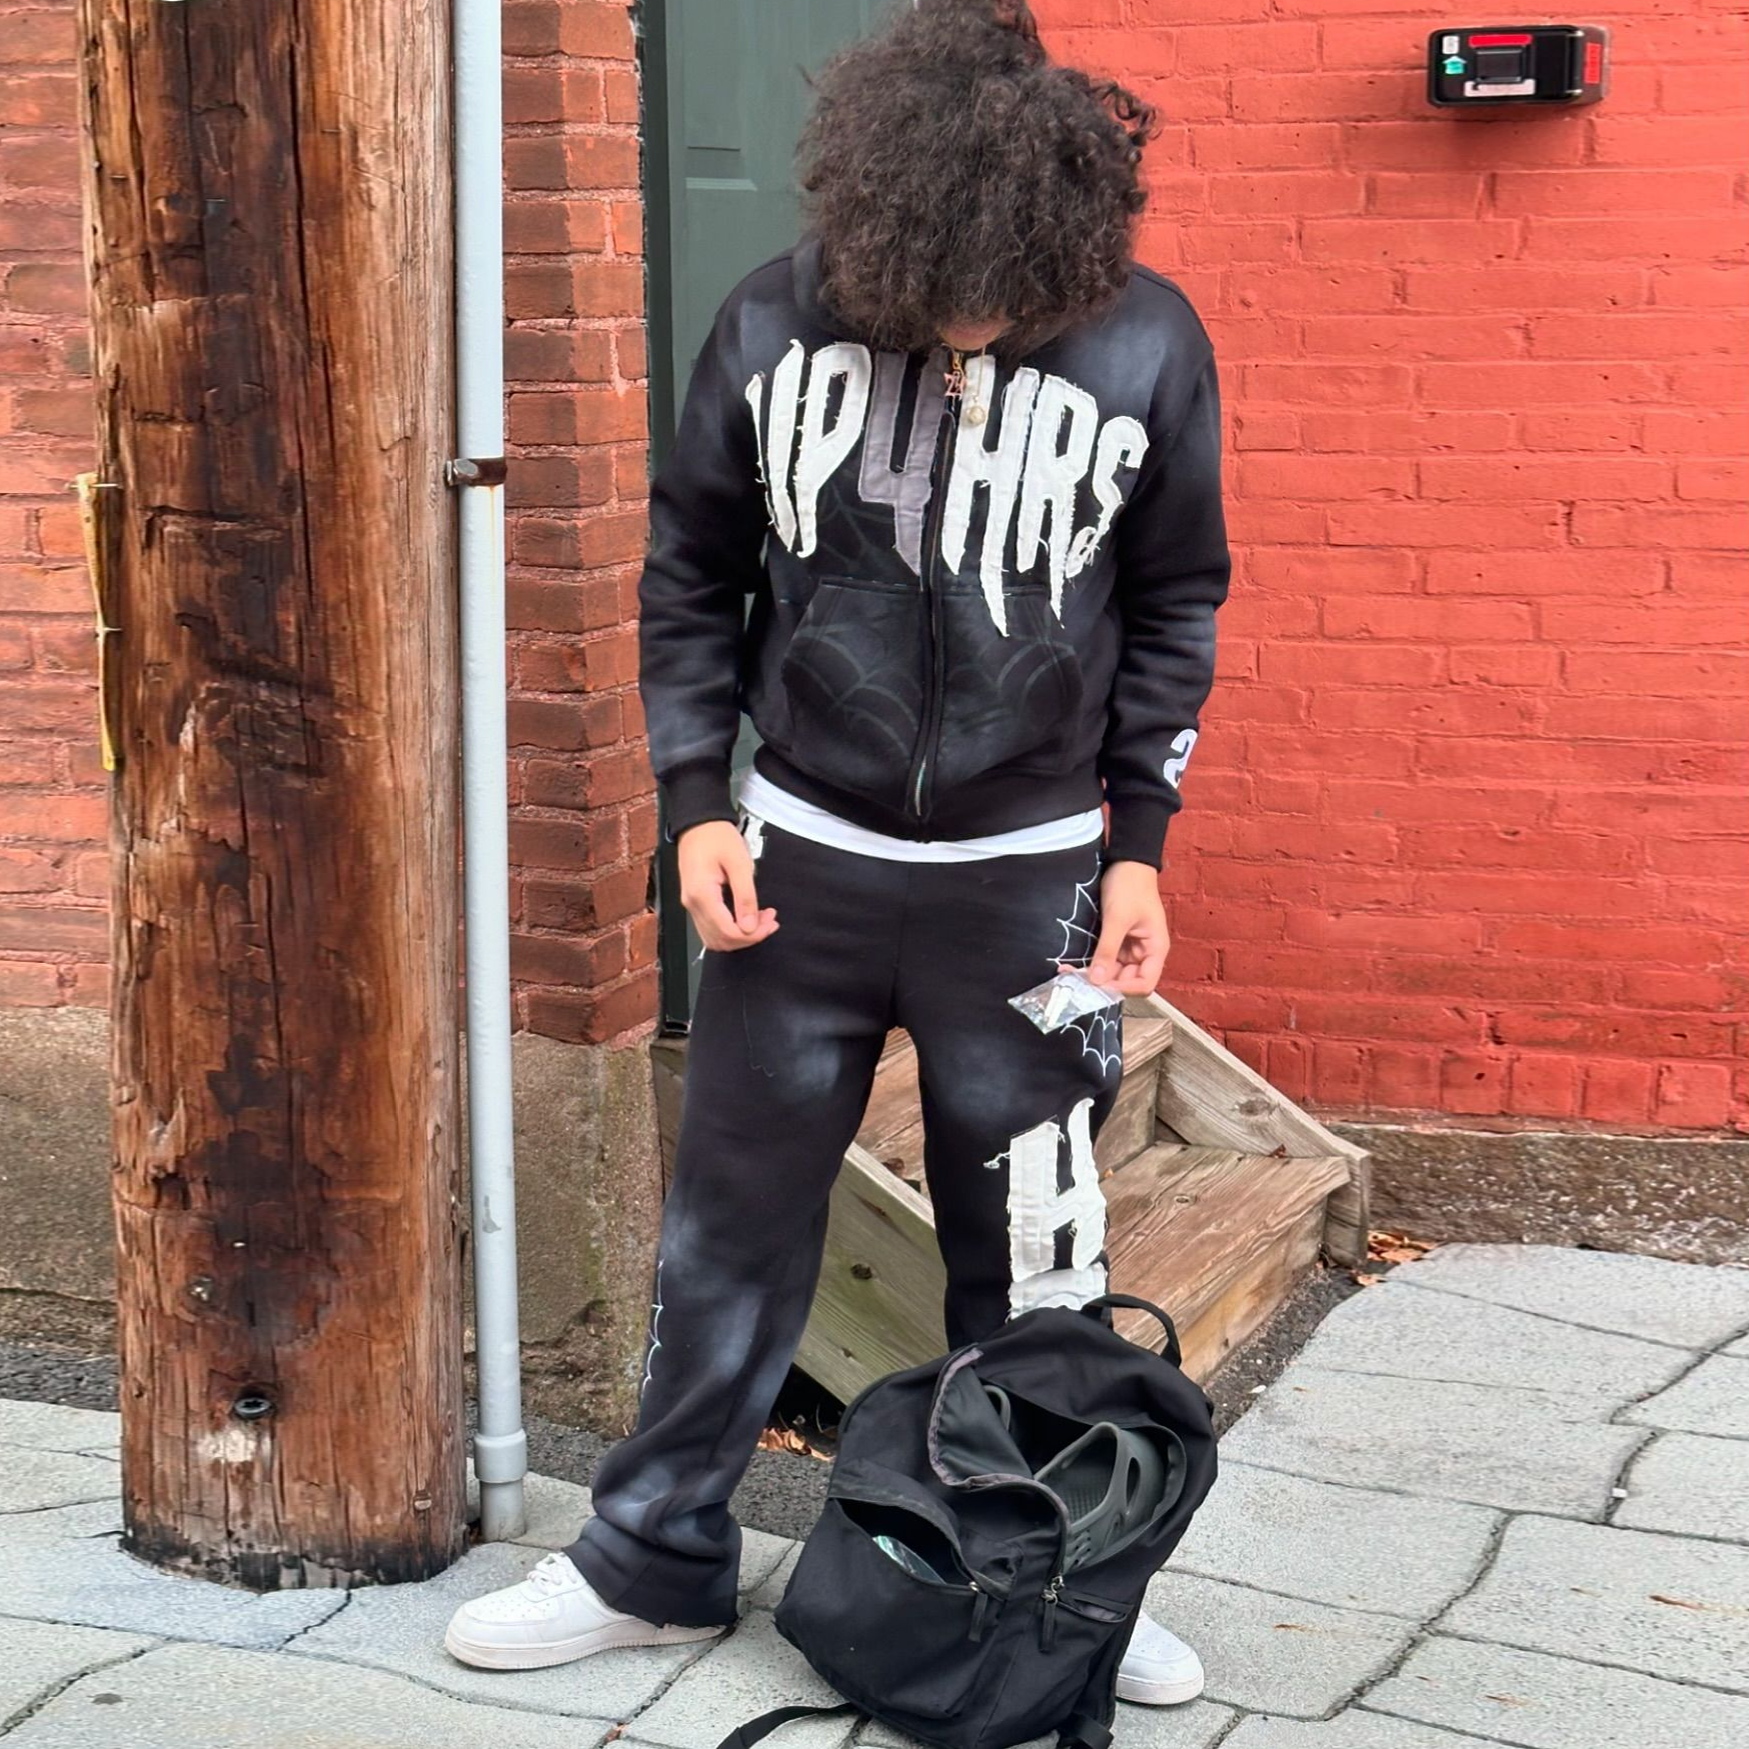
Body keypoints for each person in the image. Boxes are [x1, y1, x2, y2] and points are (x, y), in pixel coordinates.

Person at [444, 0, 1230, 1710]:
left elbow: (1177, 602)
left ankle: (1062, 1579)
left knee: (1036, 1253)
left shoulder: (1147, 340)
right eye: (943, 294)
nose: (974, 325)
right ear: (886, 228)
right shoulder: (772, 318)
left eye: (1007, 298)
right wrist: (693, 804)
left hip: (1034, 881)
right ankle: (651, 1560)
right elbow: (689, 574)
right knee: (728, 1230)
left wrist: (1143, 845)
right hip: (798, 860)